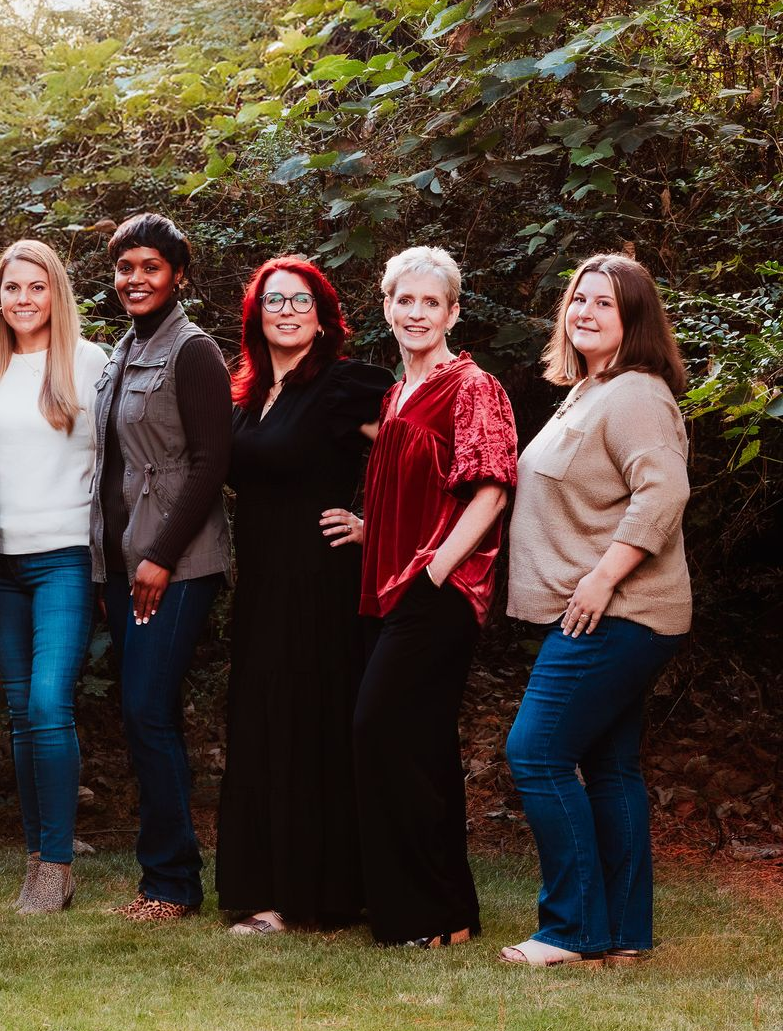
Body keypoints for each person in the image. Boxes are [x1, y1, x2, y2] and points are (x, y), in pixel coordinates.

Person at [498, 254, 690, 969]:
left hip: (618, 612)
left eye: (603, 303)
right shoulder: (588, 391)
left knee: (537, 751)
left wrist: (603, 579)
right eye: (578, 298)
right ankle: (625, 937)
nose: (584, 311)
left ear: (633, 318)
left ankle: (572, 931)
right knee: (609, 767)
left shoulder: (636, 393)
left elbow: (664, 492)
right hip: (595, 610)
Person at [325, 245, 517, 949]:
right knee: (422, 748)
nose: (415, 312)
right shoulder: (394, 395)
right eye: (403, 300)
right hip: (388, 587)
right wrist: (373, 527)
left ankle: (424, 914)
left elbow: (492, 487)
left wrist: (436, 567)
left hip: (438, 592)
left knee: (380, 731)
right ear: (386, 307)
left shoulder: (470, 386)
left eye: (430, 302)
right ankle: (447, 915)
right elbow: (420, 486)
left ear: (452, 312)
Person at [214, 257, 392, 936]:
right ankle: (261, 890)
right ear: (257, 315)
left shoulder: (346, 385)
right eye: (272, 301)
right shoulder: (250, 392)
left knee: (304, 729)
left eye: (300, 301)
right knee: (260, 726)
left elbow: (423, 456)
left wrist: (378, 526)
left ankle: (306, 898)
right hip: (261, 585)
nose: (285, 311)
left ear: (323, 316)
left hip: (320, 582)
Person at [88, 212, 233, 923]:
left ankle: (171, 884)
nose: (135, 279)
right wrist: (112, 568)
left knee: (149, 711)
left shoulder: (193, 351)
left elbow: (212, 465)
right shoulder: (123, 349)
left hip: (175, 567)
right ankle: (167, 877)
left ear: (178, 274)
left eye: (150, 267)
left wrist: (159, 560)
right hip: (122, 566)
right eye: (125, 268)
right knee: (145, 714)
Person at [0, 240, 105, 914]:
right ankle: (38, 861)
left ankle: (57, 861)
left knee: (51, 704)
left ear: (56, 293)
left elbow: (123, 464)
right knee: (22, 712)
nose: (23, 300)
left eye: (35, 287)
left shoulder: (88, 364)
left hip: (64, 560)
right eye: (11, 288)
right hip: (1, 567)